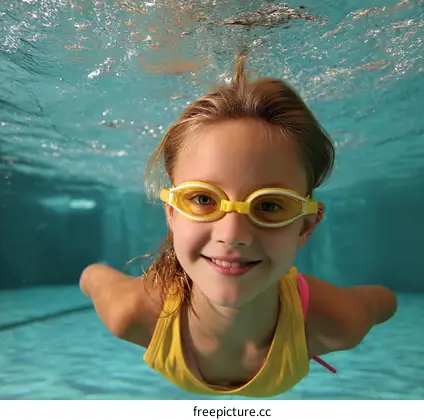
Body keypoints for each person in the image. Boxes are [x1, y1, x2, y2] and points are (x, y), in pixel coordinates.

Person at [80, 50, 397, 398]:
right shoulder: (131, 312)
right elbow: (92, 277)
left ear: (305, 226)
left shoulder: (337, 322)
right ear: (171, 213)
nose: (233, 235)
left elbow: (383, 301)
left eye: (271, 204)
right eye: (203, 199)